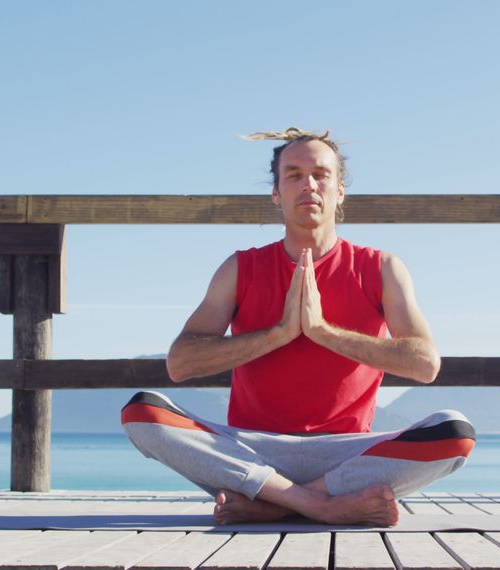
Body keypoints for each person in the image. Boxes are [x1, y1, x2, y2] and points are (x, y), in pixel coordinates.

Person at [121, 128, 475, 527]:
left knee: (454, 431)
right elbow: (180, 363)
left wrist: (323, 331)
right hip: (253, 453)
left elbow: (425, 364)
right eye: (293, 175)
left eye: (321, 174)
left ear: (340, 190)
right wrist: (279, 333)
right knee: (141, 412)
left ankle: (278, 503)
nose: (308, 184)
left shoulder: (382, 268)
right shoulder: (241, 268)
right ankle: (322, 506)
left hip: (345, 456)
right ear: (276, 193)